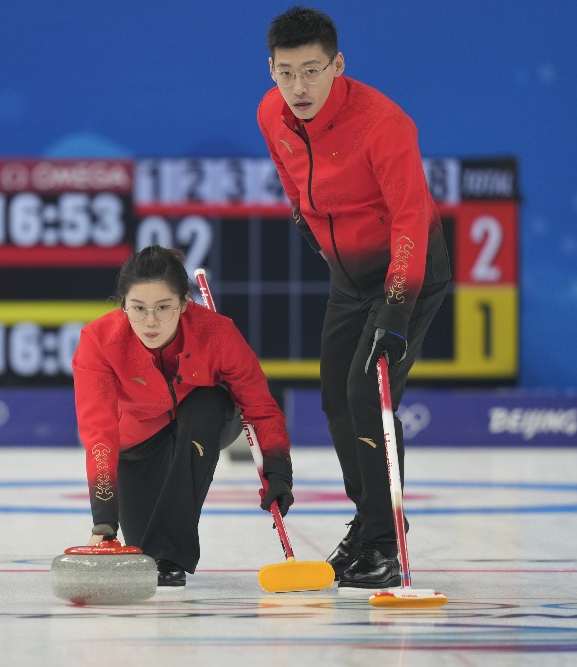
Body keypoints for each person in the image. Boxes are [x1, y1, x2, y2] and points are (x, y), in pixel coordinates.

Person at [258, 7, 452, 591]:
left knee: (366, 395)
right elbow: (294, 189)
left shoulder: (383, 123)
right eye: (285, 72)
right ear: (271, 69)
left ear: (337, 65)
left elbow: (411, 221)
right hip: (348, 279)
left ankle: (385, 543)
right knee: (335, 401)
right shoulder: (273, 114)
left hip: (407, 269)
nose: (298, 88)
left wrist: (395, 308)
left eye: (312, 71)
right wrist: (318, 239)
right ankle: (370, 526)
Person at [71, 245, 294, 587]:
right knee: (143, 548)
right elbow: (99, 432)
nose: (150, 321)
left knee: (205, 402)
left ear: (184, 303)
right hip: (140, 439)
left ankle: (173, 555)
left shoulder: (217, 333)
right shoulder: (99, 340)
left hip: (205, 424)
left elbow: (259, 405)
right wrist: (103, 523)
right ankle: (160, 547)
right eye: (138, 308)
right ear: (123, 305)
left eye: (163, 308)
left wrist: (278, 470)